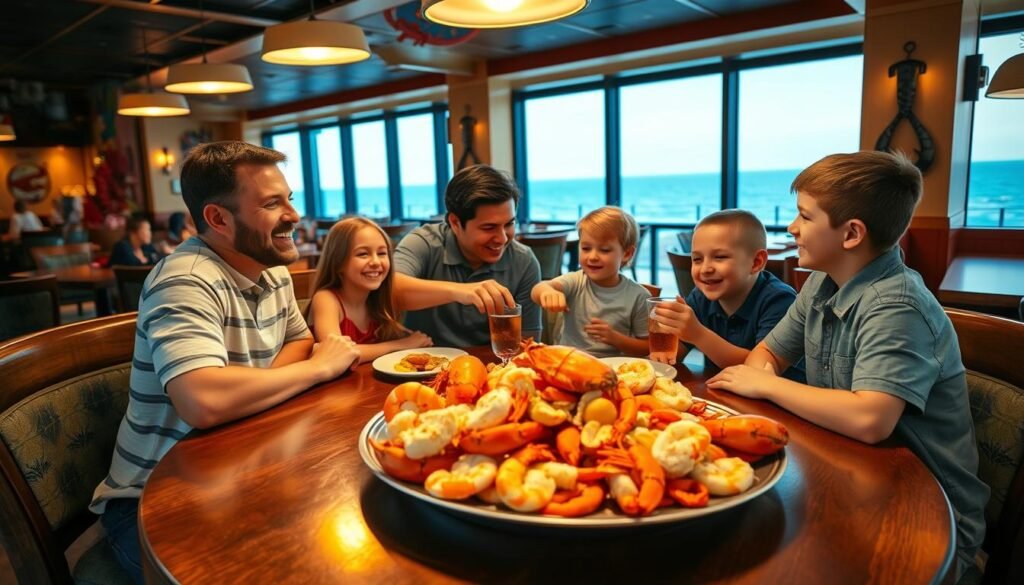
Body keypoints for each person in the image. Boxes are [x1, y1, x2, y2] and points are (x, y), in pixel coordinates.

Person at [705, 151, 988, 580]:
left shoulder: (896, 305)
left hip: (927, 520)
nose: (792, 228)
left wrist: (765, 386)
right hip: (851, 479)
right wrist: (762, 373)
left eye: (804, 216)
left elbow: (870, 418)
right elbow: (768, 353)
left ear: (851, 234)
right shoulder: (822, 282)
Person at [89, 141, 360, 584]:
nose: (293, 214)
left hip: (235, 470)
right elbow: (202, 399)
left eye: (289, 198)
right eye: (272, 203)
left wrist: (245, 388)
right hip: (153, 500)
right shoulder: (185, 280)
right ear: (217, 218)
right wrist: (315, 370)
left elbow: (300, 338)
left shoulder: (269, 268)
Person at [649, 210, 806, 381]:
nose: (705, 269)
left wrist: (698, 334)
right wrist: (667, 339)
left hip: (775, 402)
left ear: (756, 262)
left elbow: (757, 370)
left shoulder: (779, 300)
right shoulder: (700, 297)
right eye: (697, 259)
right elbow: (677, 353)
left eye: (720, 257)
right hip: (725, 394)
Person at [394, 164, 541, 347]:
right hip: (422, 366)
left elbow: (528, 344)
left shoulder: (524, 260)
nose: (502, 238)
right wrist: (459, 291)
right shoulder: (425, 243)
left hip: (491, 369)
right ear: (455, 223)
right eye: (489, 228)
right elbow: (390, 290)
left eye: (509, 224)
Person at [308, 216, 433, 362]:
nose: (375, 262)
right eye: (363, 254)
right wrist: (401, 345)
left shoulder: (376, 300)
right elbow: (335, 355)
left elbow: (413, 338)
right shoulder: (326, 299)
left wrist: (415, 341)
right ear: (338, 262)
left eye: (382, 253)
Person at [530, 206, 650, 357]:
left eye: (605, 250)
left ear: (627, 253)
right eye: (586, 248)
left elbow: (647, 347)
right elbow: (538, 289)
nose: (592, 256)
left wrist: (615, 338)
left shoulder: (638, 296)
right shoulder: (576, 281)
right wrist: (547, 292)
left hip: (615, 369)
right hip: (569, 362)